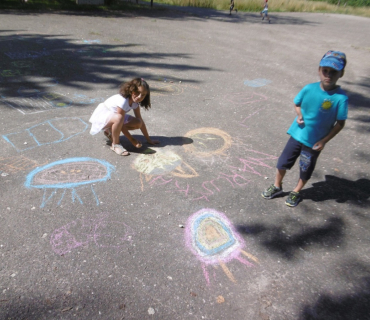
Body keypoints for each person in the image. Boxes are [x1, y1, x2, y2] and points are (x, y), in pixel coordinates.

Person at [261, 51, 348, 207]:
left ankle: (296, 191)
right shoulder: (309, 89)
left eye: (334, 71)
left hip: (315, 141)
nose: (328, 75)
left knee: (305, 168)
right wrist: (299, 114)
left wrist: (324, 141)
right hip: (297, 134)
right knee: (282, 162)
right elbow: (297, 103)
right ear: (319, 70)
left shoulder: (341, 98)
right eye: (325, 70)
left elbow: (340, 123)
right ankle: (277, 186)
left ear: (341, 73)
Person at [89, 78, 159, 156]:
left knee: (138, 122)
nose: (139, 96)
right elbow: (120, 122)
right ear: (132, 90)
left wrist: (149, 140)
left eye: (143, 95)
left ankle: (110, 132)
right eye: (137, 92)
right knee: (119, 118)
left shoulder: (135, 104)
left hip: (114, 117)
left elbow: (141, 122)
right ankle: (115, 145)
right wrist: (132, 140)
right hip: (102, 118)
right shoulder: (123, 101)